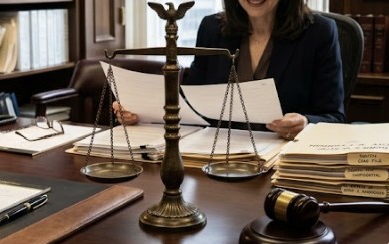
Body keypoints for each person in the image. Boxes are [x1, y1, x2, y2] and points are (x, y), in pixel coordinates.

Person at [114, 0, 345, 140]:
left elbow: (334, 117)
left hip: (282, 164)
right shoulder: (212, 28)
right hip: (217, 159)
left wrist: (305, 122)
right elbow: (191, 104)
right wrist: (142, 115)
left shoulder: (320, 33)